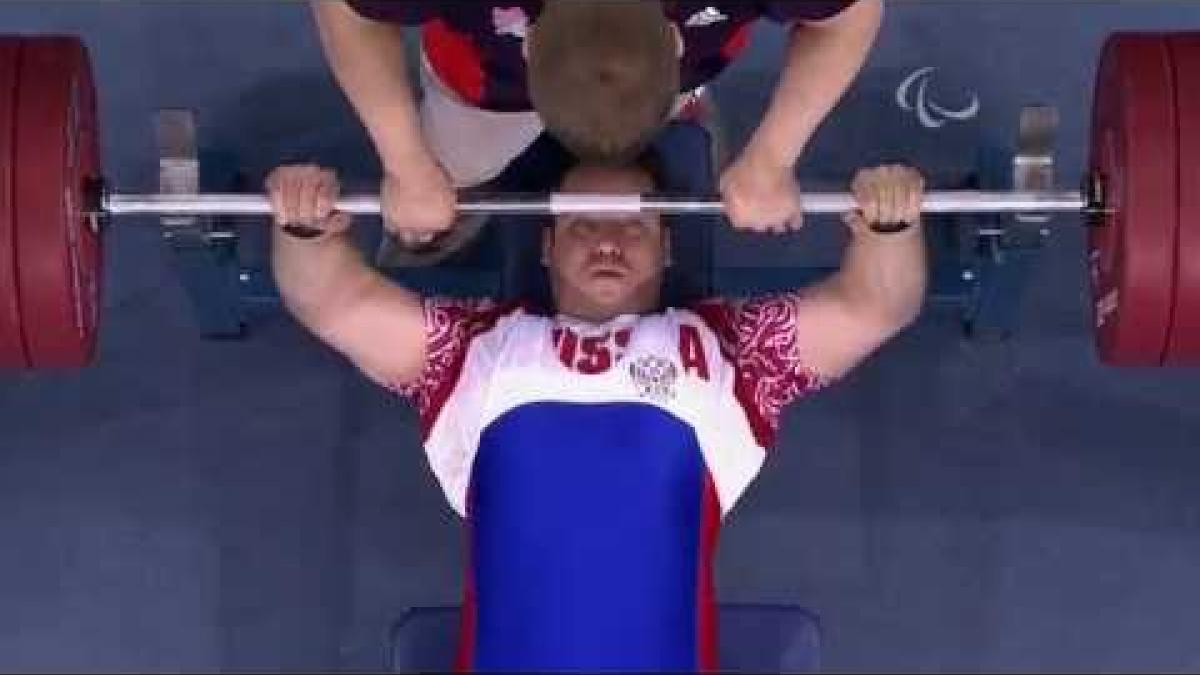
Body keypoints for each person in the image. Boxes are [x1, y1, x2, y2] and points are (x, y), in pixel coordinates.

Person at [266, 156, 926, 671]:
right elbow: (331, 298)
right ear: (548, 244)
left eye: (632, 224)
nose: (608, 240)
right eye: (584, 223)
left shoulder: (734, 351)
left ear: (666, 245)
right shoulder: (471, 349)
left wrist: (890, 227)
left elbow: (876, 305)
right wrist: (304, 226)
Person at [310, 0, 883, 261]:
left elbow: (850, 15)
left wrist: (773, 157)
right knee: (440, 184)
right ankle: (443, 204)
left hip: (672, 80)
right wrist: (407, 165)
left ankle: (679, 107)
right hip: (483, 92)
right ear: (528, 40)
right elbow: (345, 9)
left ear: (677, 38)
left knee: (658, 108)